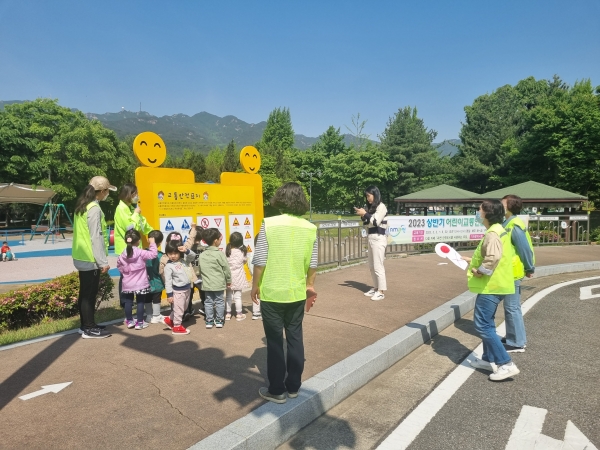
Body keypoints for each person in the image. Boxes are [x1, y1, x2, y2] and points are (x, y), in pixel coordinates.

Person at [251, 182, 318, 404]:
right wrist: (309, 285)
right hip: (297, 292)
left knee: (274, 342)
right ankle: (294, 387)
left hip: (272, 292)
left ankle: (277, 390)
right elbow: (313, 263)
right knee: (295, 338)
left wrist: (255, 285)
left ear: (280, 198)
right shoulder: (310, 228)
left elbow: (260, 260)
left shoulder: (269, 224)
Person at [464, 200, 519, 381]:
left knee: (482, 325)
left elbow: (493, 257)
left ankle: (505, 363)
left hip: (492, 286)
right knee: (487, 323)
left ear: (487, 213)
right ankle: (488, 359)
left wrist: (480, 271)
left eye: (479, 209)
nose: (478, 212)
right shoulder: (497, 230)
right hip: (498, 284)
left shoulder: (493, 233)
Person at [72, 176, 115, 339]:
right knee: (89, 294)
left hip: (81, 256)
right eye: (107, 191)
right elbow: (95, 237)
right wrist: (102, 262)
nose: (107, 194)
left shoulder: (82, 205)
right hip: (90, 258)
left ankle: (86, 325)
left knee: (84, 293)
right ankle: (89, 328)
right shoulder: (94, 209)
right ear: (102, 191)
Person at [501, 195, 535, 353]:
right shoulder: (507, 222)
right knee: (511, 307)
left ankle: (516, 342)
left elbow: (524, 249)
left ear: (508, 206)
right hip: (509, 271)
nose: (499, 205)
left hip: (513, 272)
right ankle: (512, 337)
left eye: (502, 203)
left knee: (512, 307)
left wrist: (530, 268)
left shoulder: (514, 224)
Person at [114, 183, 153, 309]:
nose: (137, 196)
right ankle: (125, 302)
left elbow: (142, 224)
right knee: (126, 275)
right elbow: (130, 229)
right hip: (126, 249)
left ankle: (133, 300)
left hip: (136, 248)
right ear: (129, 194)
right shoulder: (121, 209)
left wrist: (152, 232)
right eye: (135, 193)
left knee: (137, 274)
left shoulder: (130, 208)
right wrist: (136, 213)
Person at [117, 229, 158, 330]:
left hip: (127, 283)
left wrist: (125, 272)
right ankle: (140, 322)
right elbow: (153, 254)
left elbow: (119, 265)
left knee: (128, 301)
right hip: (140, 283)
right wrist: (152, 243)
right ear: (138, 241)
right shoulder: (140, 252)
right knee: (140, 302)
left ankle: (130, 321)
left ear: (126, 241)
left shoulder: (123, 254)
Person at [354, 185, 388, 301]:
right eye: (367, 196)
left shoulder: (381, 207)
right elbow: (368, 223)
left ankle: (381, 291)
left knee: (378, 265)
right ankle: (376, 288)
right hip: (372, 237)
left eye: (369, 195)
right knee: (372, 266)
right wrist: (363, 215)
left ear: (375, 194)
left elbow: (375, 221)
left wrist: (365, 214)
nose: (368, 198)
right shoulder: (372, 208)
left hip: (379, 238)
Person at [159, 225, 200, 320]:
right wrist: (169, 288)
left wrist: (193, 229)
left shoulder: (183, 253)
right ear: (167, 243)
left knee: (187, 300)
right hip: (175, 286)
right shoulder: (165, 257)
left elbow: (190, 240)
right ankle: (176, 322)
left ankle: (185, 312)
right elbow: (162, 272)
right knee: (176, 304)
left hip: (187, 283)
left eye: (178, 243)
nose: (173, 255)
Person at [199, 228, 231, 329]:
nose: (221, 240)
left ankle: (209, 321)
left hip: (207, 283)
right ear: (215, 240)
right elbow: (226, 268)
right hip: (218, 283)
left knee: (208, 302)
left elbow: (200, 269)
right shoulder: (220, 254)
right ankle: (219, 320)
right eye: (220, 238)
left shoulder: (202, 254)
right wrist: (228, 280)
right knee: (219, 301)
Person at [163, 241, 196, 335]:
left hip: (187, 289)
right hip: (178, 291)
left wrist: (186, 250)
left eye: (175, 253)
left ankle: (169, 320)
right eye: (170, 254)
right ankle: (177, 326)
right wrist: (169, 295)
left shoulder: (184, 260)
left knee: (183, 307)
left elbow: (193, 256)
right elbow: (168, 282)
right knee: (179, 309)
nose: (173, 256)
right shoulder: (169, 266)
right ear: (167, 254)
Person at [144, 230, 167, 324]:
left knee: (147, 299)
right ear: (160, 242)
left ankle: (149, 315)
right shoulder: (161, 255)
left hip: (145, 282)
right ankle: (156, 315)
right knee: (156, 299)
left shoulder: (143, 253)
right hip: (157, 282)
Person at [225, 231, 248, 321]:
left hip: (229, 277)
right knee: (238, 296)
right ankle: (239, 314)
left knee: (228, 296)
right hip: (238, 277)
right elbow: (245, 261)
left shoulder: (227, 251)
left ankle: (228, 314)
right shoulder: (242, 252)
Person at [190, 226, 207, 317]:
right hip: (202, 275)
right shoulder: (205, 249)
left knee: (189, 294)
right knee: (204, 293)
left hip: (190, 275)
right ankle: (206, 308)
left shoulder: (187, 249)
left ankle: (188, 309)